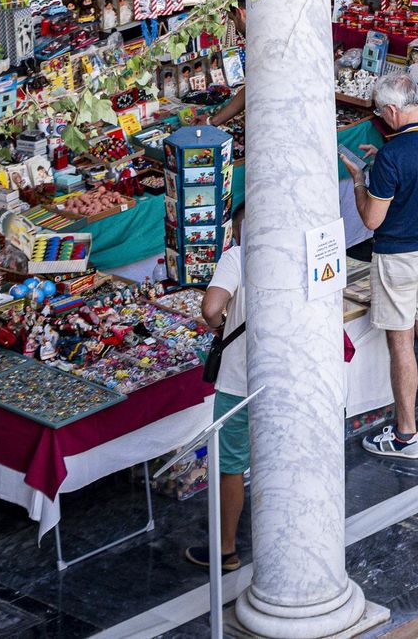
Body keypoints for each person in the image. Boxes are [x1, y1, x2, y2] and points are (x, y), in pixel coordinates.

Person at [349, 72, 418, 459]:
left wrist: (362, 180)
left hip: (398, 258)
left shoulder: (393, 155)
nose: (382, 119)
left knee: (401, 344)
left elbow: (372, 220)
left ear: (394, 109)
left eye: (381, 113)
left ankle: (405, 434)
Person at [185, 205, 250, 573]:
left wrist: (221, 322)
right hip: (284, 377)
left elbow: (211, 308)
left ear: (237, 231)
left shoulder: (237, 257)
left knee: (231, 466)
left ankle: (226, 548)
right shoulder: (292, 252)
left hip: (240, 380)